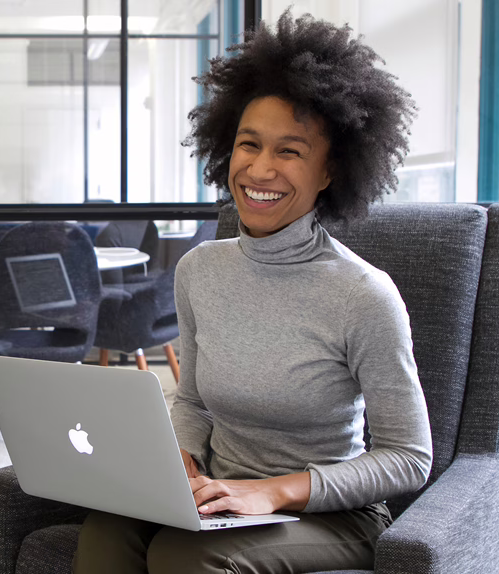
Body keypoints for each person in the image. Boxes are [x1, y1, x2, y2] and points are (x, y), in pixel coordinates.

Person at [72, 11, 432, 574]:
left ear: (330, 170)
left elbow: (408, 459)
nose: (260, 169)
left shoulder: (364, 294)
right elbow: (192, 401)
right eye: (248, 144)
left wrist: (274, 493)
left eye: (289, 151)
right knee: (107, 528)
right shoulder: (199, 270)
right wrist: (184, 461)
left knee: (182, 554)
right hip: (222, 494)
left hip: (331, 513)